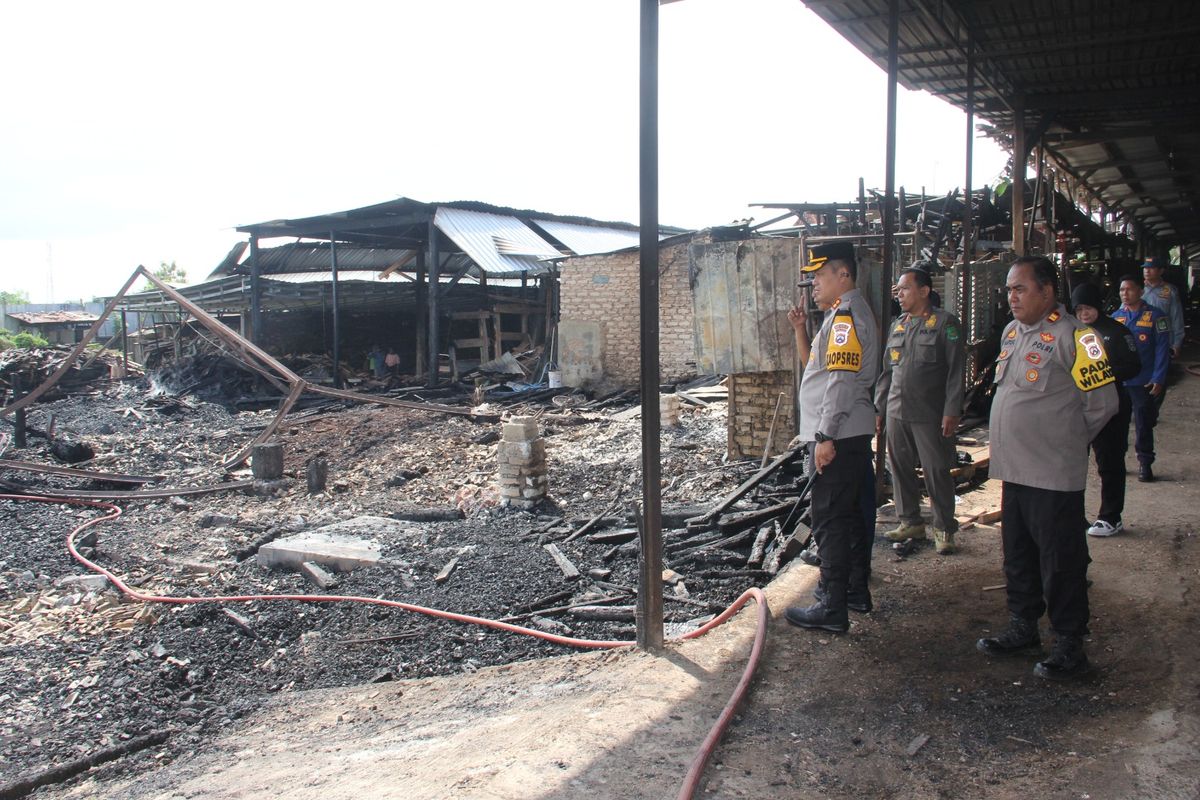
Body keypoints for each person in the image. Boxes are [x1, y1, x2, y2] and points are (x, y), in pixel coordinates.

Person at [976, 256, 1118, 681]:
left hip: (1053, 474)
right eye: (1009, 290)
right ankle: (1024, 627)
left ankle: (1070, 645)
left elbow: (1104, 404)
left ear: (1048, 291)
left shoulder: (1078, 337)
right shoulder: (1011, 332)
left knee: (1062, 563)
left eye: (1020, 289)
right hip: (1014, 471)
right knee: (1018, 557)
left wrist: (1064, 439)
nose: (1012, 297)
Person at [783, 241, 880, 634]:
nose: (814, 285)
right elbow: (820, 371)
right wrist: (800, 330)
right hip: (850, 434)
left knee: (831, 522)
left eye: (820, 276)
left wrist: (824, 436)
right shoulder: (841, 316)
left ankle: (830, 605)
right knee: (853, 518)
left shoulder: (844, 319)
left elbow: (839, 383)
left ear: (843, 275)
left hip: (837, 436)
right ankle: (855, 591)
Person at [875, 263, 966, 555]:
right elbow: (887, 370)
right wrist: (880, 408)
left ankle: (943, 528)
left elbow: (956, 371)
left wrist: (952, 410)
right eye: (898, 290)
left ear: (924, 291)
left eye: (905, 289)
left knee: (936, 471)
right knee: (899, 468)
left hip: (930, 412)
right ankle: (910, 520)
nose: (899, 294)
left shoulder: (945, 323)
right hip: (897, 409)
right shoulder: (898, 324)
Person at [1070, 282, 1142, 537]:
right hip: (1079, 407)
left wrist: (1104, 376)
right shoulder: (1073, 334)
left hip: (1112, 406)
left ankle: (1111, 517)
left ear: (1098, 306)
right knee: (1074, 462)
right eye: (1079, 310)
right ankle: (1074, 515)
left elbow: (1134, 366)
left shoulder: (1117, 331)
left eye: (1088, 308)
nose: (1083, 314)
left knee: (1109, 461)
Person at [1111, 274, 1171, 483]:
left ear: (1140, 291)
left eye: (1129, 289)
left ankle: (1145, 464)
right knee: (1118, 425)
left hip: (1143, 380)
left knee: (1144, 424)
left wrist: (1159, 377)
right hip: (1121, 382)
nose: (1124, 294)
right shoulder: (1116, 317)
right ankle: (1117, 462)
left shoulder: (1156, 316)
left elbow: (1163, 350)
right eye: (1121, 290)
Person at [1141, 258, 1184, 360]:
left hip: (1162, 337)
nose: (1147, 270)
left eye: (1151, 268)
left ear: (1161, 271)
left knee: (1161, 369)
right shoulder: (1137, 288)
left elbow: (1176, 317)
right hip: (1141, 337)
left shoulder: (1170, 290)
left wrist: (1177, 344)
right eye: (1145, 268)